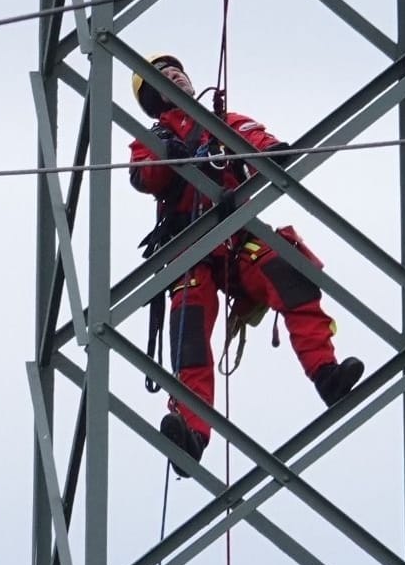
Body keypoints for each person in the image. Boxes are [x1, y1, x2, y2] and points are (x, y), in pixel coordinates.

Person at [128, 53, 365, 476]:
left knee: (291, 272)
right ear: (152, 97)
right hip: (190, 249)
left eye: (177, 71)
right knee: (190, 337)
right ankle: (192, 433)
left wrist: (274, 154)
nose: (175, 77)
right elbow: (144, 176)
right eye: (162, 76)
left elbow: (256, 140)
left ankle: (326, 374)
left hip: (238, 241)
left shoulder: (223, 123)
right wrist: (171, 156)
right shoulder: (152, 137)